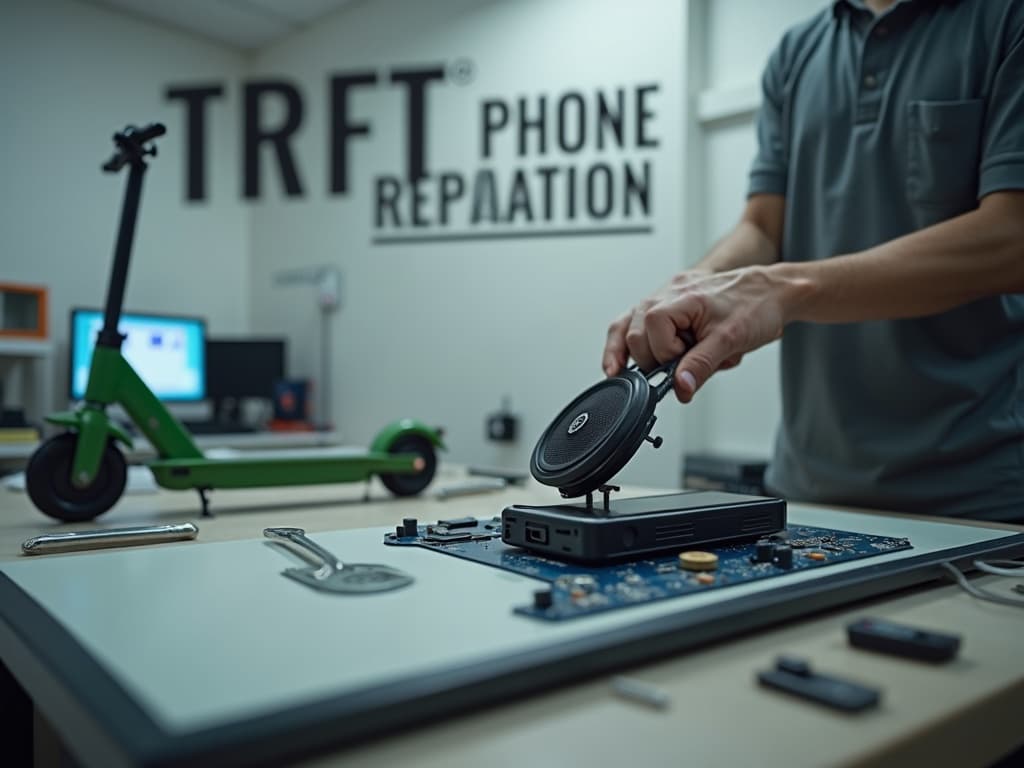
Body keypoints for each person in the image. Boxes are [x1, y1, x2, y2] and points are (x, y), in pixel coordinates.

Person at [603, 0, 1024, 522]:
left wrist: (782, 289)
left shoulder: (1007, 19)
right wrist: (699, 284)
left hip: (979, 501)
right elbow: (762, 226)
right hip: (805, 491)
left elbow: (1012, 238)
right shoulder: (797, 52)